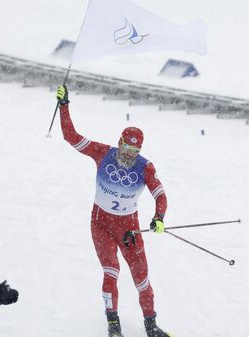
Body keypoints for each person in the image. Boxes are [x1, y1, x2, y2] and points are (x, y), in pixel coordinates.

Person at [56, 85, 172, 337]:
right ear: (119, 142)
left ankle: (151, 327)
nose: (130, 154)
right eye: (127, 148)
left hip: (130, 230)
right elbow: (71, 137)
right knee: (111, 272)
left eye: (135, 150)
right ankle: (113, 327)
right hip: (101, 225)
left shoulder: (145, 167)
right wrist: (64, 106)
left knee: (142, 281)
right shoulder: (103, 153)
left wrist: (158, 217)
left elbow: (160, 193)